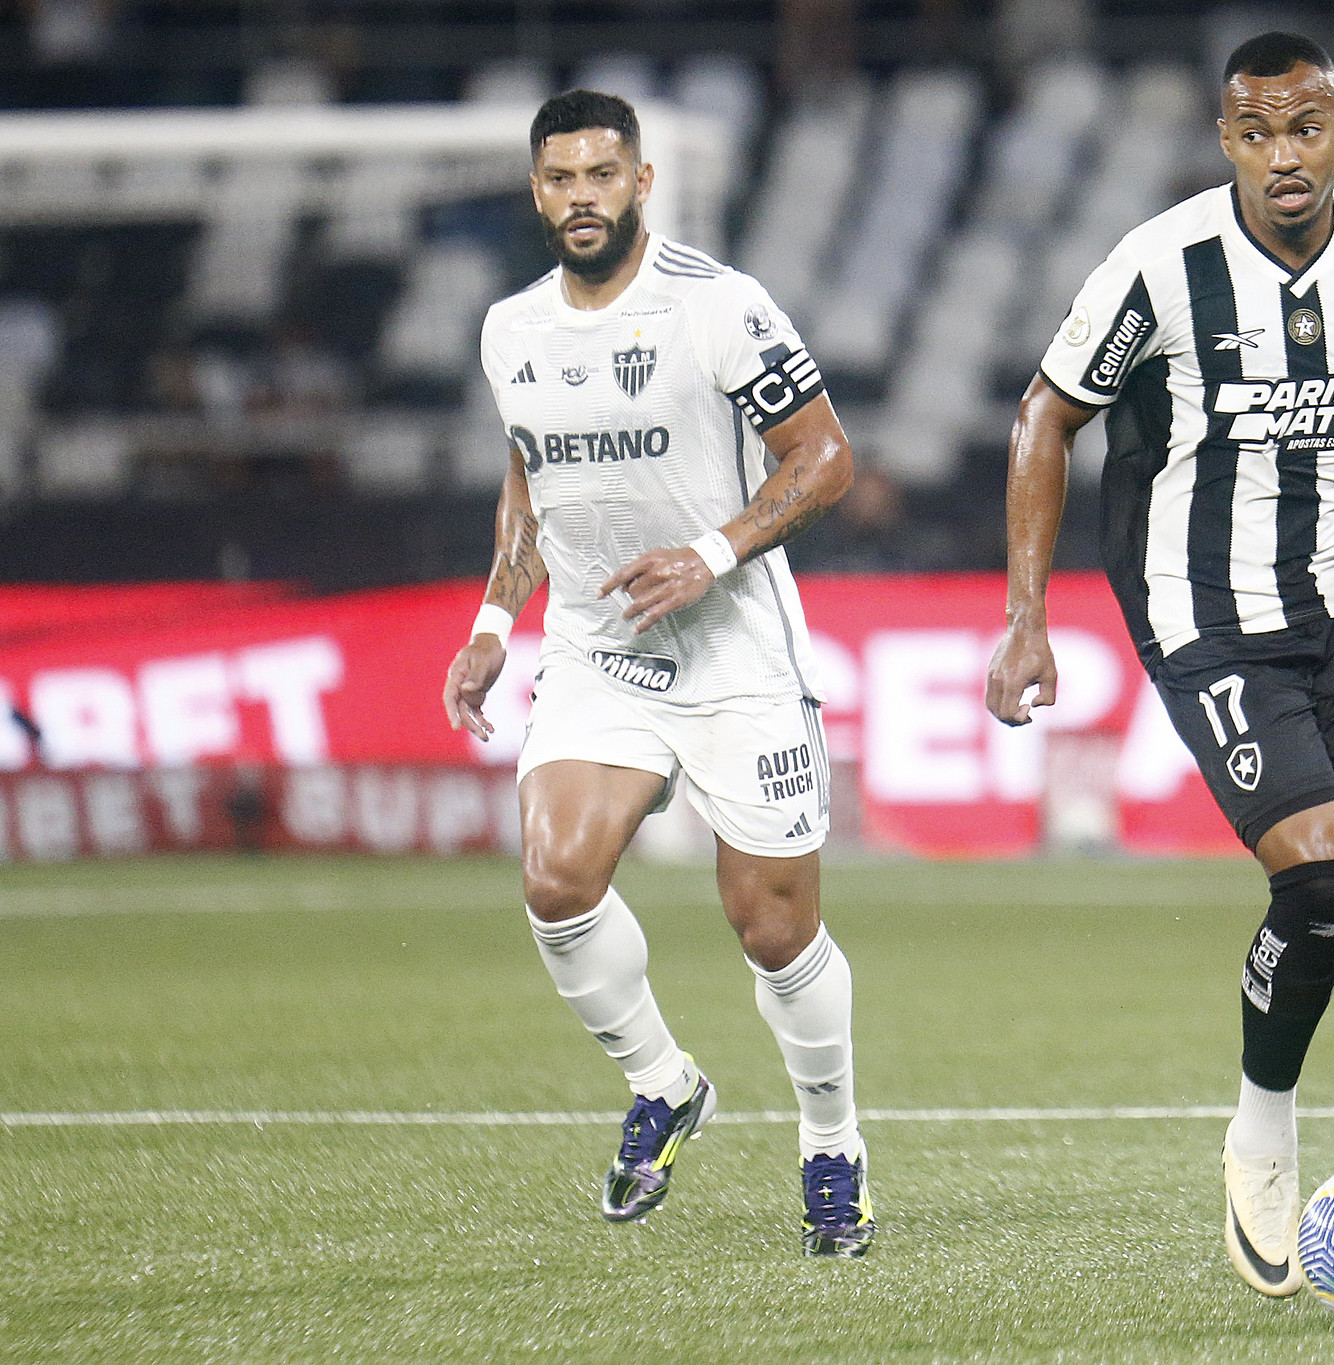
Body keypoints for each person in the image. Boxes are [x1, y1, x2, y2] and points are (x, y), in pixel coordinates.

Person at [985, 33, 1334, 1313]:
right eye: (1256, 132)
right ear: (1225, 140)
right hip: (1202, 610)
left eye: (1304, 128)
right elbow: (1046, 413)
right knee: (1319, 876)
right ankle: (1261, 1133)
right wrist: (1025, 615)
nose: (1283, 157)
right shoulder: (1159, 265)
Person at [441, 90, 873, 1258]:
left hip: (733, 644)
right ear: (537, 193)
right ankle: (663, 1082)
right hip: (599, 646)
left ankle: (830, 1143)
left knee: (772, 930)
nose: (581, 195)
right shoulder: (509, 330)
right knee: (555, 874)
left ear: (639, 182)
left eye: (600, 174)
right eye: (560, 178)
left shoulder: (718, 306)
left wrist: (710, 550)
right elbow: (528, 477)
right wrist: (494, 614)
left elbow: (825, 457)